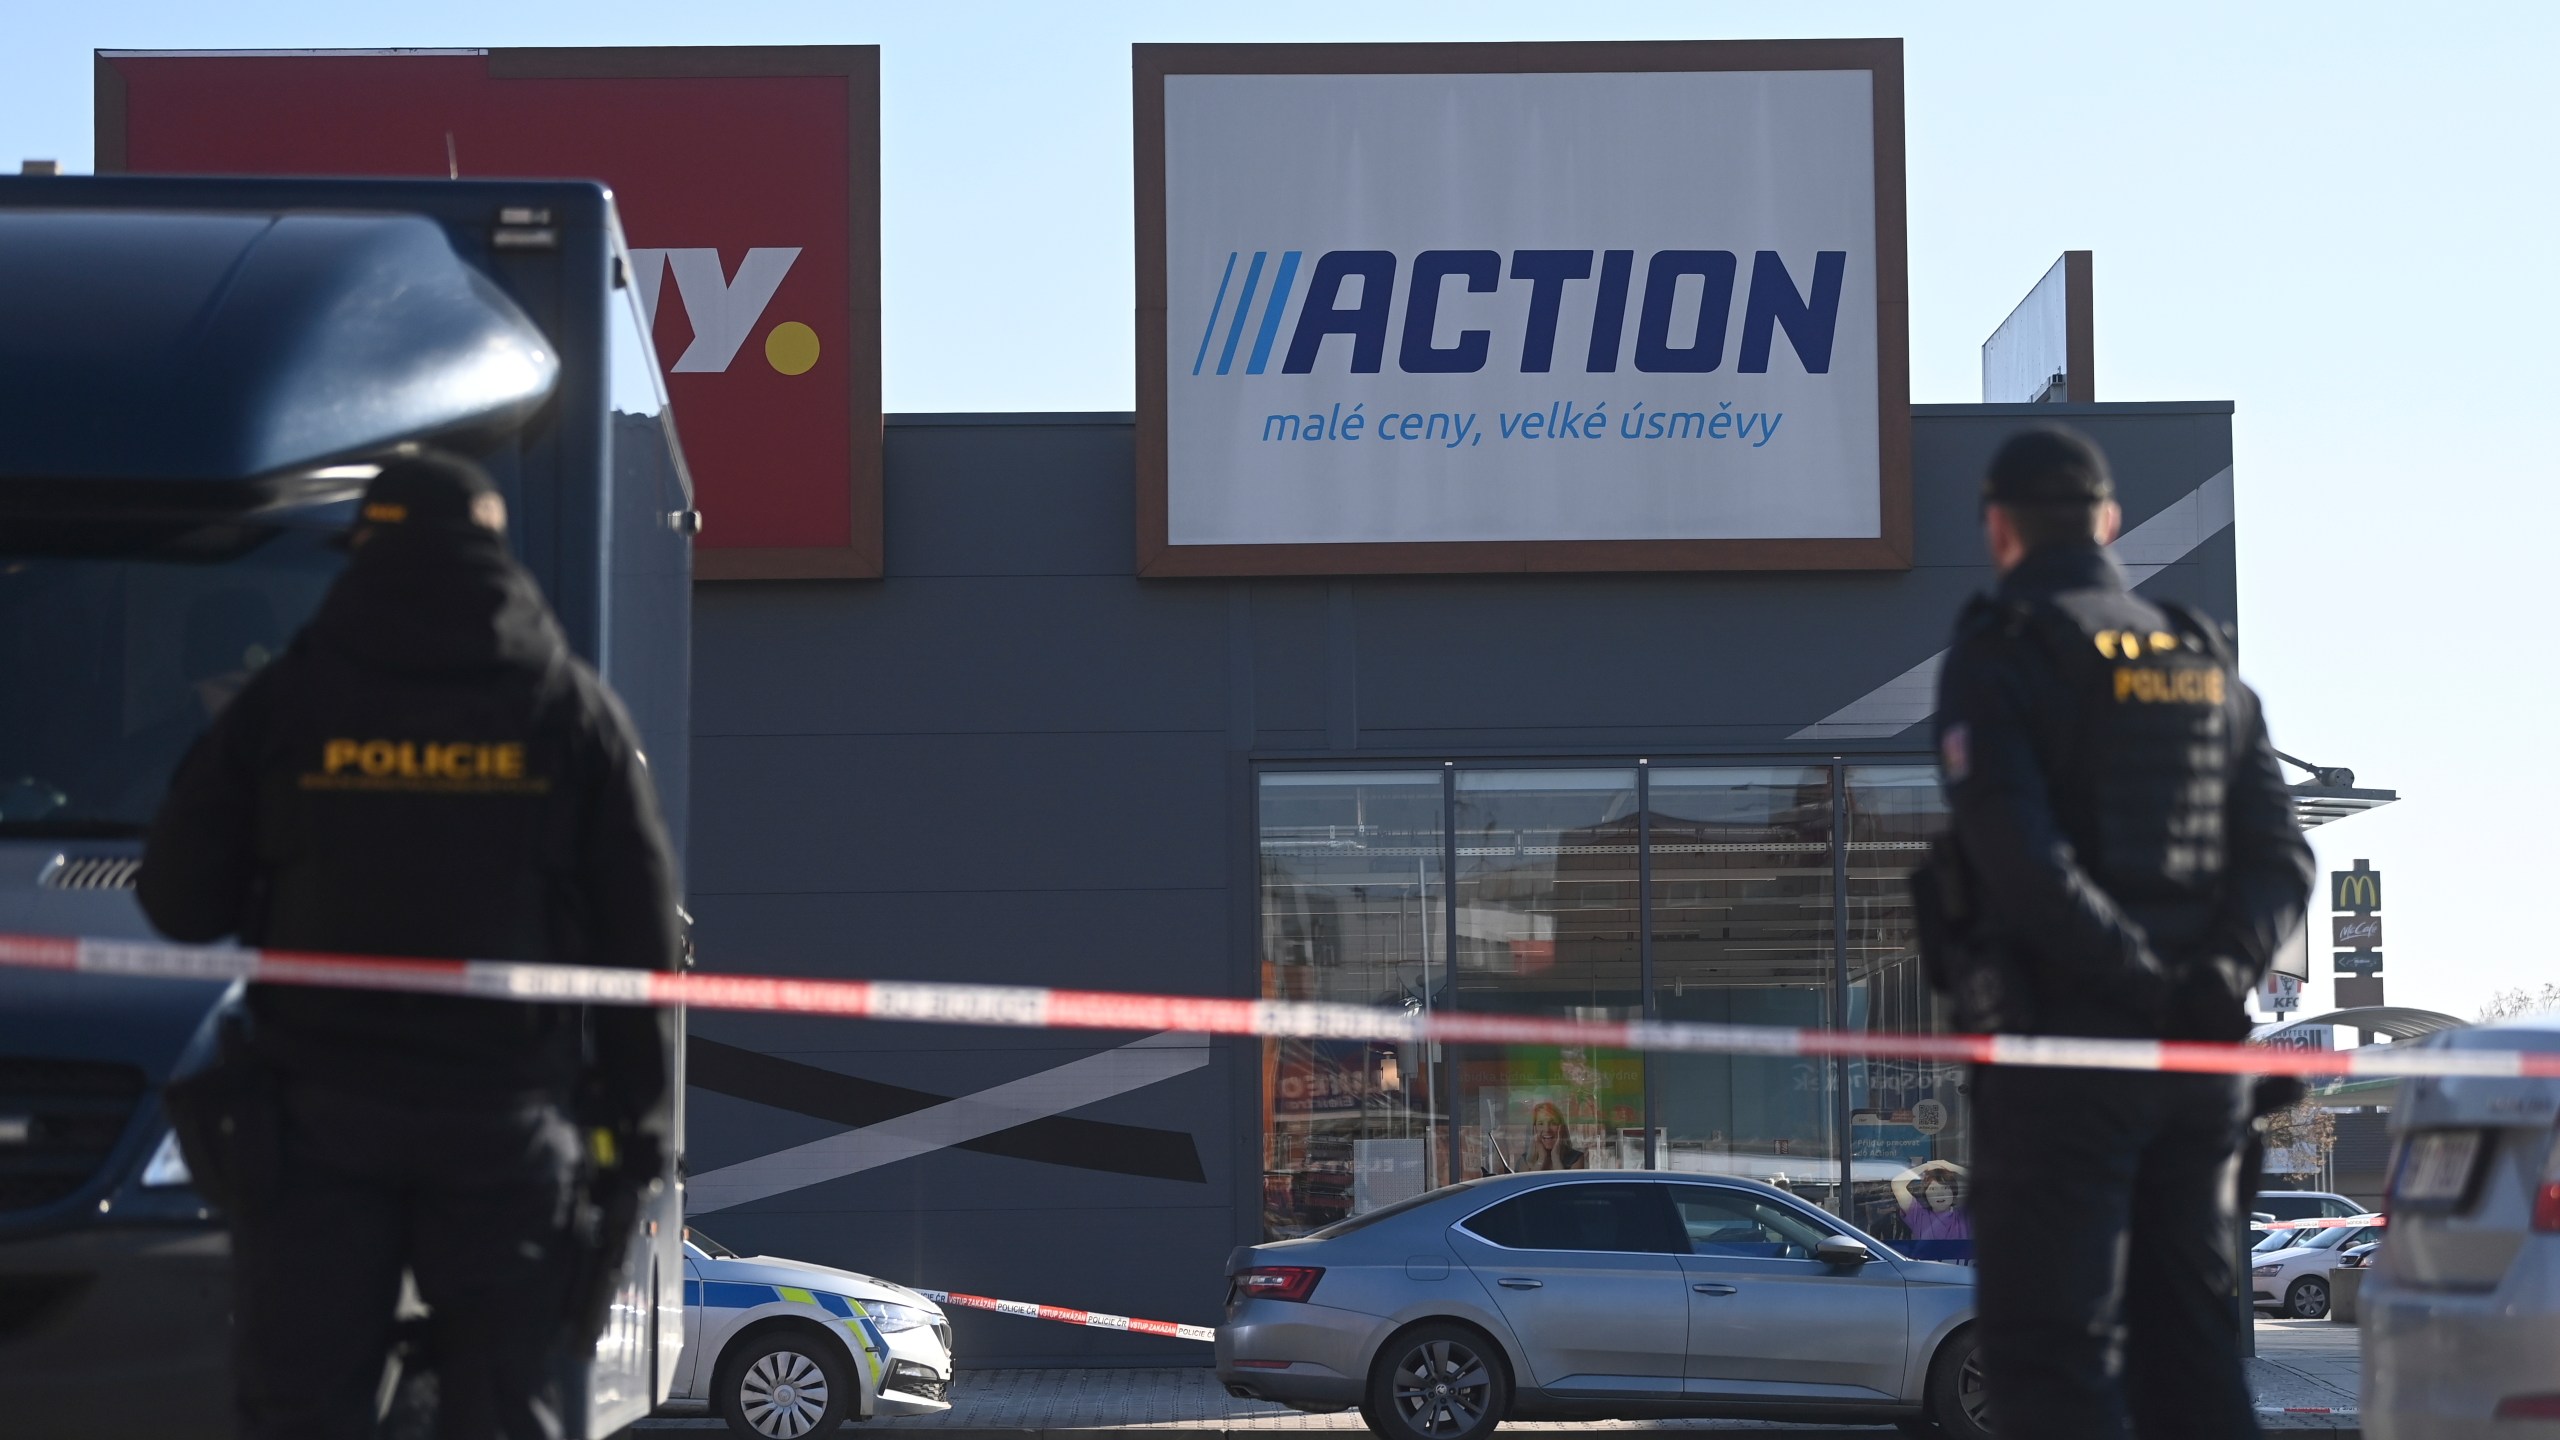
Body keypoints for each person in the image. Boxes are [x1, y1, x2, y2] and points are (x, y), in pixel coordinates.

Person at [138, 450, 681, 1440]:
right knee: (503, 1406)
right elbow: (638, 944)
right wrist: (641, 1133)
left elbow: (177, 902)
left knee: (301, 1406)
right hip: (506, 1125)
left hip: (315, 1123)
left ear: (366, 552)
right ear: (492, 547)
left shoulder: (287, 704)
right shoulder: (571, 712)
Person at [1931, 425, 2312, 1440]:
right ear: (2108, 522)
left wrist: (2133, 986)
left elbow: (2019, 860)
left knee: (2052, 1355)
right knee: (2187, 1344)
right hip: (2200, 1066)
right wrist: (2211, 979)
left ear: (1997, 529)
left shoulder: (2000, 652)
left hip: (2066, 1055)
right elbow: (2283, 861)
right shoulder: (2198, 660)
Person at [1890, 1159, 1971, 1243]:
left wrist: (1953, 1167)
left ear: (1953, 1192)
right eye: (1933, 1189)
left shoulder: (1964, 1216)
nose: (1940, 1194)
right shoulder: (1918, 1215)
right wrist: (1925, 1167)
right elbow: (1897, 1184)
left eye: (1945, 1188)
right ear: (1925, 1194)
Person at [1521, 1101, 1587, 1171]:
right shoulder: (1525, 1161)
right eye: (1541, 1124)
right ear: (1534, 1128)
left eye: (1553, 1123)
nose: (1547, 1129)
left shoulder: (1576, 1158)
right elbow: (1531, 1182)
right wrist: (1541, 1158)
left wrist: (1555, 1157)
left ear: (1561, 1128)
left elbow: (1563, 1181)